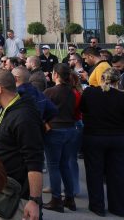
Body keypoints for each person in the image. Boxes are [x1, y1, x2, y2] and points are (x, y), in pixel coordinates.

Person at [0, 69, 44, 220]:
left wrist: (34, 201)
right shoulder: (3, 108)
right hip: (2, 192)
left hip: (18, 198)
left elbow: (34, 161)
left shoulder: (24, 117)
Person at [79, 67, 124, 217]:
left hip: (94, 136)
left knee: (94, 172)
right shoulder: (121, 96)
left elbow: (83, 109)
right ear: (118, 81)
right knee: (117, 173)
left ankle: (97, 206)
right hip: (117, 138)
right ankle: (117, 207)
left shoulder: (90, 93)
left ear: (101, 78)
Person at [41, 63, 78, 212]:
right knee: (65, 165)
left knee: (54, 166)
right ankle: (69, 198)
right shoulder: (72, 92)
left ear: (56, 74)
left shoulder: (49, 92)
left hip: (55, 130)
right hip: (70, 130)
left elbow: (42, 111)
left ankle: (56, 199)